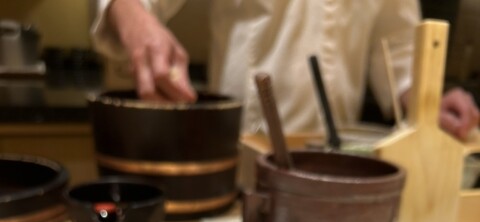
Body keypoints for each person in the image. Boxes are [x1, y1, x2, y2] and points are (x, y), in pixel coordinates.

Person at [91, 0, 479, 139]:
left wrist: (429, 102)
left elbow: (396, 46)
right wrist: (134, 17)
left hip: (338, 163)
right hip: (241, 153)